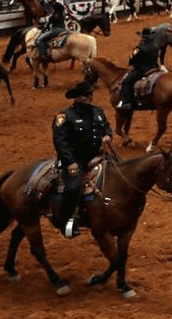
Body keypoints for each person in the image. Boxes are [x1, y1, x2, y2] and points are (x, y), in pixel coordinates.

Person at [53, 81, 113, 238]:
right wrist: (70, 162)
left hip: (97, 154)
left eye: (90, 95)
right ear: (76, 97)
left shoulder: (98, 111)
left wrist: (108, 135)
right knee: (73, 187)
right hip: (75, 158)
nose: (89, 98)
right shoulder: (64, 117)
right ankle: (66, 220)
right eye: (85, 95)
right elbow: (61, 143)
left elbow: (106, 126)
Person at [118, 27, 159, 110]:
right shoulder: (156, 46)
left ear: (143, 37)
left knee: (126, 82)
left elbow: (133, 60)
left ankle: (126, 102)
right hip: (154, 67)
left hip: (142, 70)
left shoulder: (140, 48)